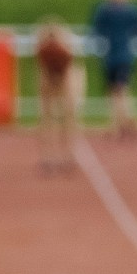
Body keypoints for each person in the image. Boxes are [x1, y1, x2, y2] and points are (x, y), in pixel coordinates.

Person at [88, 0, 137, 141]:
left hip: (124, 57)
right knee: (112, 91)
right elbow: (95, 31)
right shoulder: (104, 10)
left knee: (122, 89)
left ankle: (125, 122)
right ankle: (120, 123)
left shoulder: (133, 11)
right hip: (109, 57)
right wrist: (94, 49)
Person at [32, 17, 81, 172]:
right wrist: (48, 88)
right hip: (49, 79)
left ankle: (67, 154)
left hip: (65, 78)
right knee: (46, 118)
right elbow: (44, 75)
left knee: (68, 116)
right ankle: (47, 156)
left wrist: (68, 95)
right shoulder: (43, 51)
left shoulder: (65, 52)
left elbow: (68, 75)